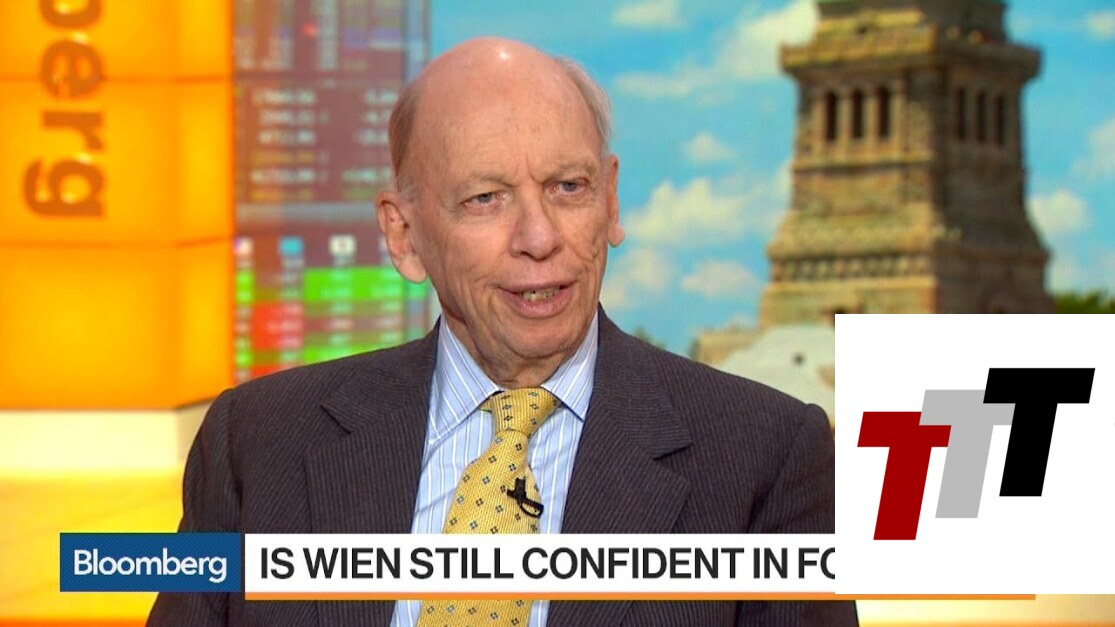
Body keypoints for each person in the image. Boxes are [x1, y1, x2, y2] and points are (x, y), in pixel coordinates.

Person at [150, 37, 857, 626]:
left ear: (611, 201)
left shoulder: (764, 457)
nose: (539, 237)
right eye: (485, 198)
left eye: (567, 188)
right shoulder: (256, 444)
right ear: (404, 235)